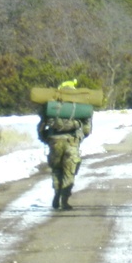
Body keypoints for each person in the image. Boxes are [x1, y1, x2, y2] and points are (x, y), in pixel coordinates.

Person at [37, 80, 92, 211]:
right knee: (69, 171)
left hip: (54, 141)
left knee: (57, 169)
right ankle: (64, 199)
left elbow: (41, 125)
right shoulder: (80, 105)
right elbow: (87, 128)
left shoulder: (52, 103)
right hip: (72, 141)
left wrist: (46, 139)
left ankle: (57, 193)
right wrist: (80, 137)